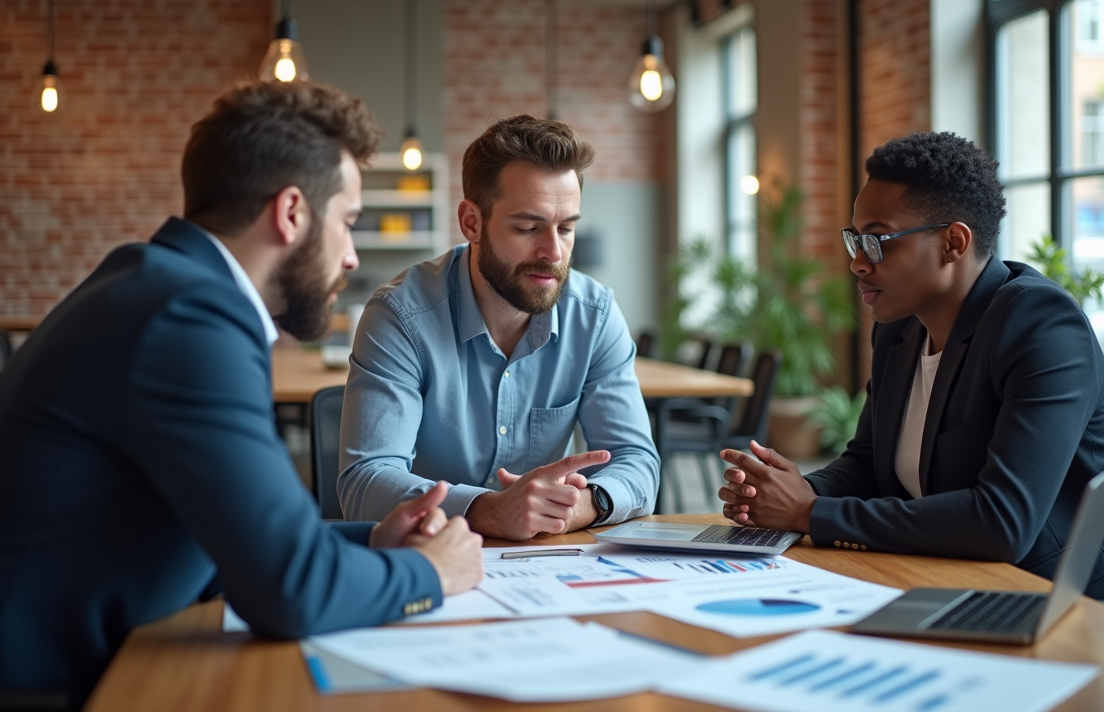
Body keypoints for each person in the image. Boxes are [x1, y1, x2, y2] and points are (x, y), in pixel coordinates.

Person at [0, 80, 483, 708]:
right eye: (347, 223)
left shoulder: (155, 283)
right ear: (290, 214)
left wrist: (373, 542)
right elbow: (288, 590)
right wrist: (430, 574)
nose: (349, 257)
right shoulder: (189, 316)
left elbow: (241, 542)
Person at [718, 131, 1104, 620]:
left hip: (1085, 613)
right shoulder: (898, 333)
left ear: (953, 243)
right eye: (854, 239)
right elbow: (868, 464)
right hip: (959, 587)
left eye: (876, 241)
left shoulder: (1041, 326)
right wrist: (792, 491)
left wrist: (809, 514)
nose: (857, 262)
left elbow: (1004, 521)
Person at [338, 115, 660, 540]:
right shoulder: (400, 315)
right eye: (528, 228)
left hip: (547, 567)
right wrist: (487, 510)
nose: (553, 252)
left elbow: (637, 460)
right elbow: (365, 480)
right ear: (472, 222)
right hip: (428, 556)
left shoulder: (594, 315)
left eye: (566, 229)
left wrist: (586, 503)